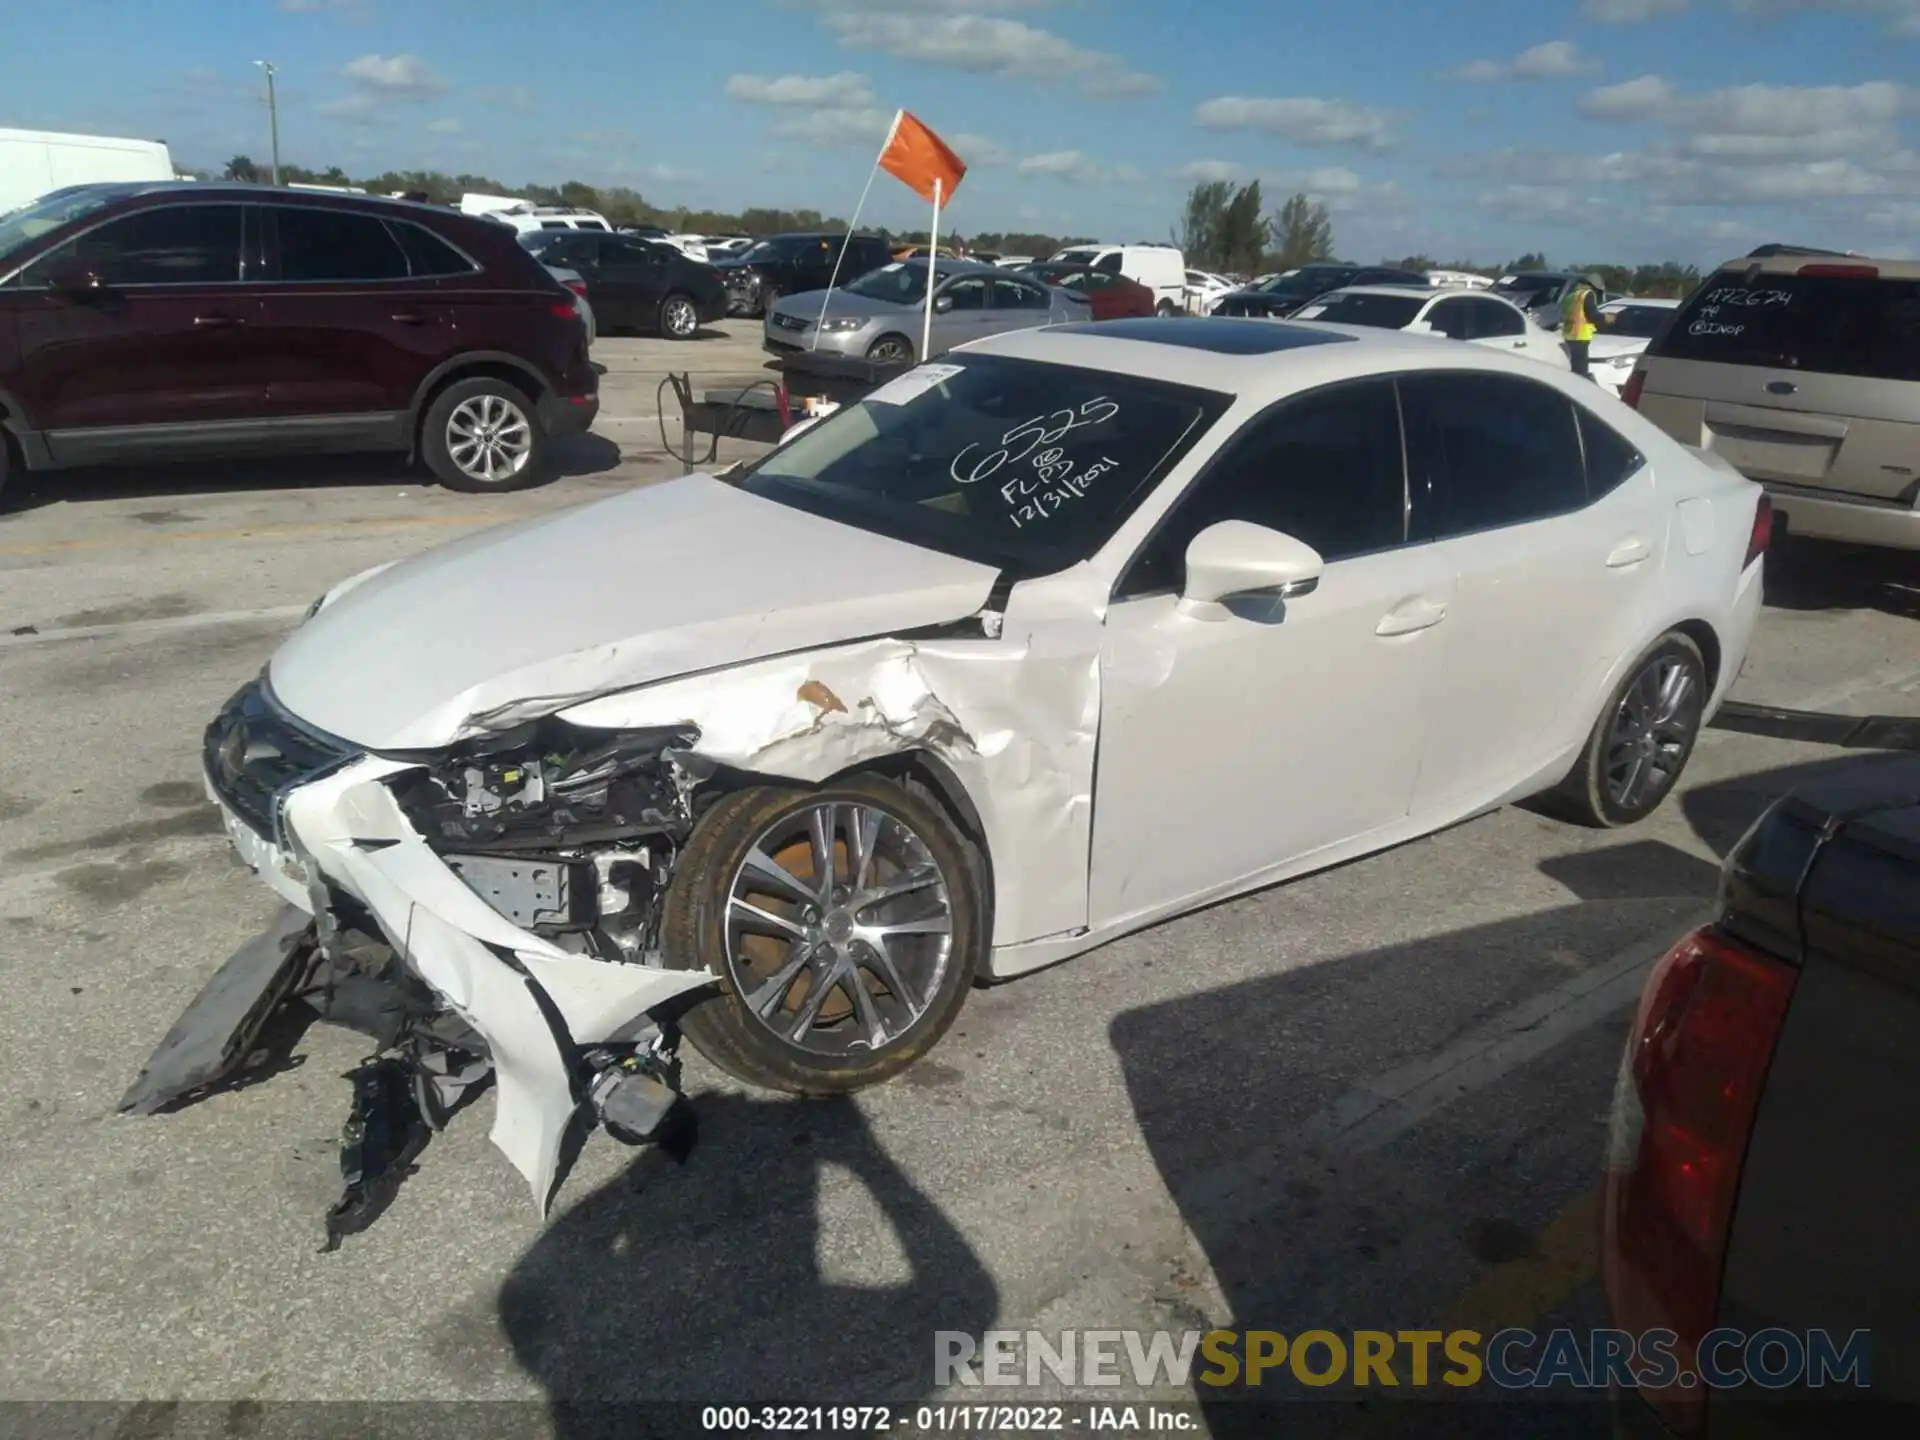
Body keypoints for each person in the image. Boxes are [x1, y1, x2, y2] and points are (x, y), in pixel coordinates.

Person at [1560, 274, 1607, 379]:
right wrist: (1606, 320)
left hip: (1568, 336)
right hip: (1581, 337)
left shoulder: (1571, 296)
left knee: (1573, 369)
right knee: (1581, 372)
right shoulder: (1587, 295)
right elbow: (1592, 315)